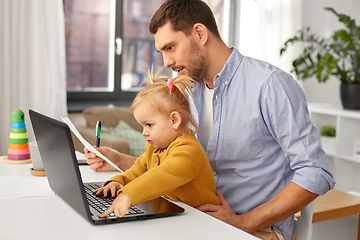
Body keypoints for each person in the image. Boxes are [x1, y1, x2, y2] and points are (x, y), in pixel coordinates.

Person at [85, 0, 335, 239]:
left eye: (170, 48)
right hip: (194, 220)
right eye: (161, 51)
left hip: (252, 230)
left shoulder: (270, 85)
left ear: (200, 34)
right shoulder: (187, 93)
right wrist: (119, 161)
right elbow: (178, 167)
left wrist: (244, 221)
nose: (167, 62)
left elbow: (315, 173)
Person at [92, 71, 220, 218]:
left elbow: (163, 175)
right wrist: (119, 181)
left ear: (174, 121)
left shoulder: (189, 151)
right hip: (178, 212)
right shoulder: (154, 146)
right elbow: (140, 168)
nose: (144, 132)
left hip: (203, 219)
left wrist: (128, 195)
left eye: (149, 125)